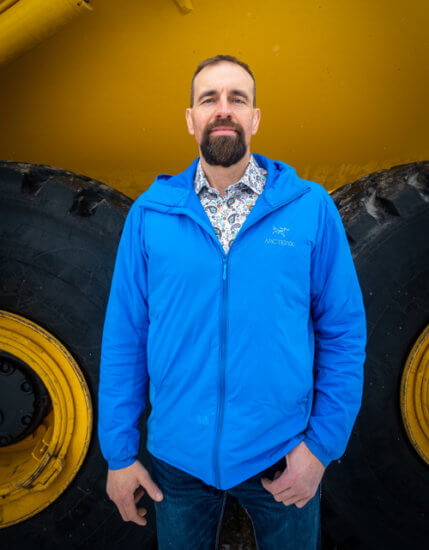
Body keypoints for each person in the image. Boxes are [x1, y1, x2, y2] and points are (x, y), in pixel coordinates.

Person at [98, 54, 367, 549]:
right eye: (209, 99)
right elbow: (125, 337)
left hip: (284, 454)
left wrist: (320, 450)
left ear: (255, 118)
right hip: (177, 463)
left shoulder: (309, 208)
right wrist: (118, 454)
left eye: (236, 99)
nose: (223, 109)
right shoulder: (151, 214)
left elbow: (343, 331)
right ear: (191, 119)